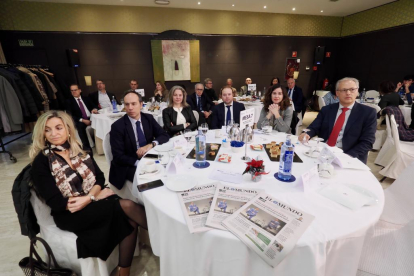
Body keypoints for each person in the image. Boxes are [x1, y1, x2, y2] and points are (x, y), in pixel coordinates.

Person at [30, 110, 147, 276]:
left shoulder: (79, 149)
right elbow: (57, 203)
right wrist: (93, 197)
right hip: (69, 214)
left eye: (58, 128)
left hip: (90, 202)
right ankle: (166, 240)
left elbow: (99, 178)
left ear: (68, 129)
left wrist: (90, 197)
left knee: (130, 220)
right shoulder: (41, 162)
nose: (53, 134)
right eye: (47, 130)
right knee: (127, 205)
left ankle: (124, 272)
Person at [299, 77, 377, 164]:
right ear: (337, 93)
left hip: (350, 156)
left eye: (352, 89)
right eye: (344, 90)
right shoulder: (327, 110)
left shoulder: (368, 113)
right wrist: (306, 134)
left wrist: (347, 156)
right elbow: (313, 127)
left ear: (357, 92)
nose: (348, 93)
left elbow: (367, 142)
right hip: (324, 153)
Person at [109, 91, 169, 190]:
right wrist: (139, 163)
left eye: (133, 104)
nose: (130, 108)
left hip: (148, 156)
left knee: (167, 169)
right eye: (127, 104)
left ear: (141, 104)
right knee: (152, 183)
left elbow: (164, 135)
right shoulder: (117, 126)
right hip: (129, 164)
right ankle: (145, 203)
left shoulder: (148, 118)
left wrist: (151, 144)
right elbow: (118, 156)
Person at [65, 84, 98, 153]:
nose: (74, 92)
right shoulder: (68, 102)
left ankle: (99, 145)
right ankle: (87, 148)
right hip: (80, 120)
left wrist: (94, 109)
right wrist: (83, 120)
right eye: (72, 90)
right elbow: (70, 115)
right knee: (80, 127)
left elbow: (95, 106)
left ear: (80, 90)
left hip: (92, 118)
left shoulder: (86, 98)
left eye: (75, 90)